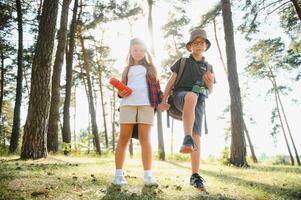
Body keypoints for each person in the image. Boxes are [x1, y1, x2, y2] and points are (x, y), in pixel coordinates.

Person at [159, 29, 215, 191]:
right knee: (191, 96)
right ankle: (186, 138)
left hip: (199, 103)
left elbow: (210, 92)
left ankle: (195, 176)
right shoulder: (183, 62)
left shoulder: (209, 67)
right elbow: (170, 83)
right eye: (195, 43)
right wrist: (164, 101)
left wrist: (210, 83)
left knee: (197, 138)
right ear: (190, 46)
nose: (199, 45)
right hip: (180, 97)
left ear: (206, 46)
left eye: (202, 43)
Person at [112, 38, 161, 187]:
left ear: (145, 51)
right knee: (123, 138)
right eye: (135, 50)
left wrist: (163, 102)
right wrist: (121, 93)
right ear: (130, 51)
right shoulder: (127, 69)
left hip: (147, 106)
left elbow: (158, 89)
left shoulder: (151, 68)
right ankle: (118, 176)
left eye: (141, 50)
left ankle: (148, 176)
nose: (138, 53)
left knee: (145, 139)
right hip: (128, 106)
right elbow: (121, 90)